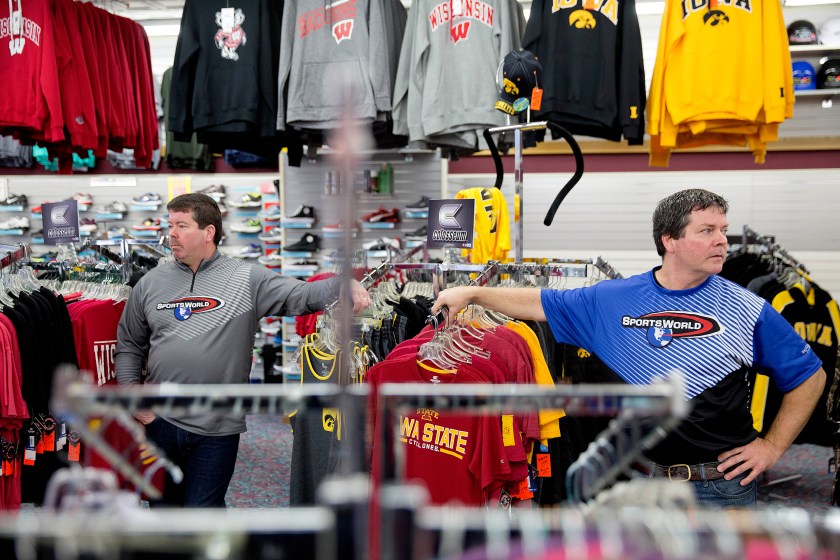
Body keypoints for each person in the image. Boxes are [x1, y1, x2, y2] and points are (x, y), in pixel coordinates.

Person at [432, 188, 826, 508]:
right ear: (669, 240)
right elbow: (540, 303)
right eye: (706, 230)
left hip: (720, 488)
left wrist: (772, 448)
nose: (722, 240)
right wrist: (474, 292)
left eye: (723, 229)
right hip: (640, 483)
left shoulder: (747, 307)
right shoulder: (614, 299)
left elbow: (810, 376)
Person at [115, 193, 370, 507]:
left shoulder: (247, 278)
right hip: (160, 421)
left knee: (204, 512)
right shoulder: (150, 283)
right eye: (171, 225)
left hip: (217, 425)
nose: (172, 234)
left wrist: (339, 285)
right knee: (163, 513)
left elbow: (301, 294)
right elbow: (129, 343)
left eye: (182, 225)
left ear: (209, 232)